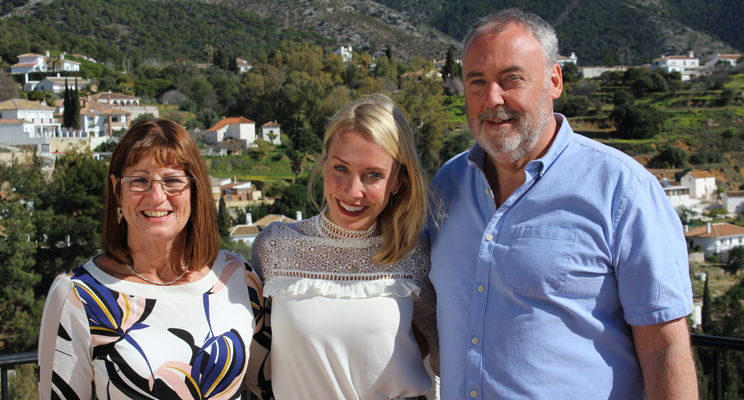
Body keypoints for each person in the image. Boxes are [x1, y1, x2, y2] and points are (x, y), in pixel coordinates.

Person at [427, 8, 697, 400]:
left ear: (554, 81)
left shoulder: (622, 189)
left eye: (511, 79)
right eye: (477, 81)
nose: (492, 98)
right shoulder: (447, 186)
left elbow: (665, 347)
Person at [38, 119, 269, 399]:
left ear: (195, 190)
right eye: (139, 181)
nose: (157, 196)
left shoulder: (238, 278)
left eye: (172, 181)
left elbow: (272, 385)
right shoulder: (77, 296)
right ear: (117, 190)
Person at [251, 94, 439, 400]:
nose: (353, 191)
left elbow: (444, 350)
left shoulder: (415, 254)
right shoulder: (274, 247)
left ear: (397, 181)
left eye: (374, 175)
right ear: (325, 160)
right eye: (341, 168)